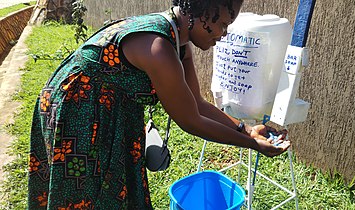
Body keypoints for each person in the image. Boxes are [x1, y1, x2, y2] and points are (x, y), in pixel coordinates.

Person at [28, 0, 290, 209]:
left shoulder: (179, 41)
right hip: (78, 109)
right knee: (82, 189)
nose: (224, 34)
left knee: (114, 187)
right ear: (200, 13)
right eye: (222, 23)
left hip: (109, 109)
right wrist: (253, 144)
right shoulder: (158, 47)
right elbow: (191, 121)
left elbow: (196, 104)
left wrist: (246, 129)